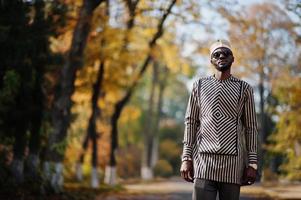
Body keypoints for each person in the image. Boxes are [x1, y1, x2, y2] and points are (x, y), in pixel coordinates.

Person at [180, 39, 258, 200]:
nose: (222, 56)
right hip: (203, 162)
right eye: (217, 54)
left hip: (233, 165)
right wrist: (186, 157)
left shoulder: (245, 89)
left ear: (233, 58)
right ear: (211, 60)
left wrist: (252, 163)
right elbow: (191, 122)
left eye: (226, 53)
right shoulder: (199, 86)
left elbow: (250, 127)